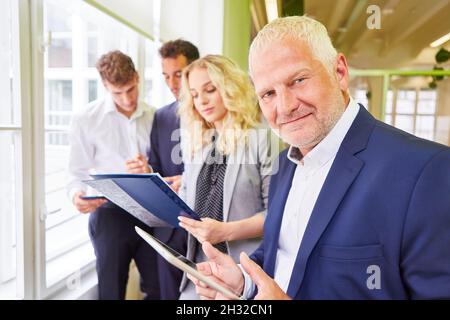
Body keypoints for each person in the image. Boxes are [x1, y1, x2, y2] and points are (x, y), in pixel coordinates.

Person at [189, 16, 450, 300]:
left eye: (298, 80)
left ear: (339, 72)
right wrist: (243, 284)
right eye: (268, 94)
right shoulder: (284, 167)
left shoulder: (426, 171)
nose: (285, 107)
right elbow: (282, 258)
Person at [176, 54, 280, 299]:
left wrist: (225, 231)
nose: (201, 100)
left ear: (229, 88)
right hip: (199, 274)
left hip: (243, 276)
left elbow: (277, 216)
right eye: (194, 94)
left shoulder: (263, 140)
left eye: (209, 90)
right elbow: (185, 205)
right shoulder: (198, 145)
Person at [67, 50, 159, 300]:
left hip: (151, 212)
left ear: (137, 77)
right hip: (109, 215)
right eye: (118, 93)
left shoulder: (156, 116)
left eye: (131, 89)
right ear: (105, 86)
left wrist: (149, 168)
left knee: (161, 288)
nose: (127, 99)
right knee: (111, 292)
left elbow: (167, 170)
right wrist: (77, 195)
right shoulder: (86, 119)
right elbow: (76, 172)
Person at [126, 40, 199, 299]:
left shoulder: (213, 112)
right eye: (166, 76)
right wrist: (147, 169)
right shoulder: (163, 116)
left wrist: (190, 180)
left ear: (195, 69)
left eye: (178, 74)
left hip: (205, 227)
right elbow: (156, 167)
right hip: (169, 227)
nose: (172, 83)